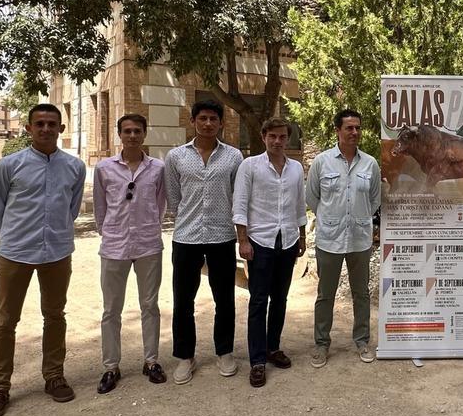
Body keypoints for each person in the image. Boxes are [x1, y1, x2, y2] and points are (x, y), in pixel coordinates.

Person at [0, 103, 86, 416]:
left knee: (55, 315)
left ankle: (54, 376)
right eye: (39, 123)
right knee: (5, 321)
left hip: (56, 252)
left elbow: (72, 208)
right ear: (28, 128)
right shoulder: (9, 166)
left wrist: (53, 233)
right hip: (15, 253)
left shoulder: (74, 167)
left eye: (52, 124)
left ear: (61, 129)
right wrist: (13, 236)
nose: (45, 129)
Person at [165, 99, 244, 385]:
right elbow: (174, 199)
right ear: (193, 121)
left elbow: (238, 197)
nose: (208, 123)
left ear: (221, 123)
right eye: (203, 118)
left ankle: (224, 351)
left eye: (213, 118)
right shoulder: (176, 157)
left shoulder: (234, 157)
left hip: (222, 236)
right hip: (186, 237)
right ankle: (185, 356)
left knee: (224, 299)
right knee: (183, 300)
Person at [93, 113, 168, 394]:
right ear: (119, 134)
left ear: (145, 134)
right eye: (127, 131)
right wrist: (110, 230)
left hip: (148, 243)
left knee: (150, 305)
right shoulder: (103, 169)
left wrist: (148, 226)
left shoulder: (158, 168)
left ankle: (151, 361)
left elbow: (160, 204)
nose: (132, 135)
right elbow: (101, 208)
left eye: (137, 131)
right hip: (114, 246)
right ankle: (111, 366)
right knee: (111, 309)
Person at [233, 119, 306, 387]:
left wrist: (302, 236)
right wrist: (243, 241)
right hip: (260, 242)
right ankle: (257, 360)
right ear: (263, 136)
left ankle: (273, 347)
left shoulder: (296, 168)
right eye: (272, 136)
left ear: (288, 139)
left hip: (286, 241)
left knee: (281, 299)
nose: (278, 141)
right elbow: (240, 205)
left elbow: (299, 204)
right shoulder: (249, 166)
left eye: (283, 137)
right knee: (258, 301)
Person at [307, 109, 382, 367]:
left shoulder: (370, 164)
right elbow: (312, 198)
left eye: (358, 128)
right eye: (349, 128)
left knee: (361, 293)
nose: (354, 133)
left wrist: (359, 218)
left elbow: (374, 200)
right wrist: (331, 218)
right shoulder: (322, 162)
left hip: (360, 239)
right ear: (337, 130)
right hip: (329, 239)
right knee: (325, 294)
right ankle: (321, 344)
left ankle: (361, 340)